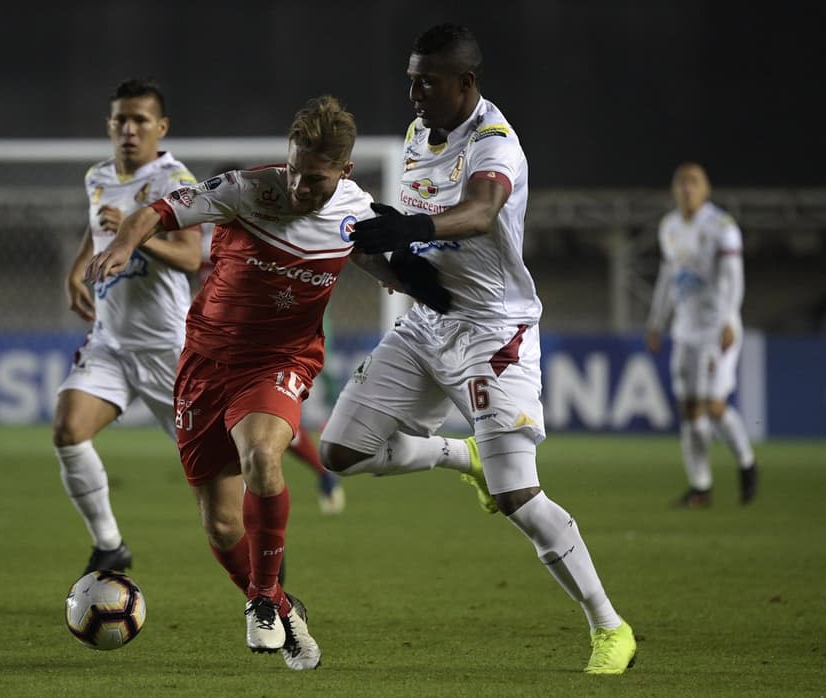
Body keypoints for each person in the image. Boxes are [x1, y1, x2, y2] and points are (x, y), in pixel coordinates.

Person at [319, 24, 637, 675]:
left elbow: (482, 212)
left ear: (466, 84)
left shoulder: (496, 142)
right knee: (341, 452)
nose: (413, 93)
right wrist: (387, 262)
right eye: (410, 79)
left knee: (519, 496)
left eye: (427, 82)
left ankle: (610, 628)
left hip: (496, 334)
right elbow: (409, 237)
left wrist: (411, 226)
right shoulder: (416, 137)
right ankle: (457, 455)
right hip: (429, 322)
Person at [85, 95, 399, 670]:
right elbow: (157, 211)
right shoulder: (246, 189)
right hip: (205, 361)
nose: (303, 188)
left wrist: (416, 284)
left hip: (281, 359)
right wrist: (125, 243)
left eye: (318, 180)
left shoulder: (361, 214)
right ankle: (279, 601)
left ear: (346, 172)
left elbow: (390, 261)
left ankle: (259, 601)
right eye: (297, 172)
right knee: (222, 522)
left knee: (261, 455)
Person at [53, 78, 201, 576]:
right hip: (111, 342)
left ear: (162, 127)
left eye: (141, 120)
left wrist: (135, 237)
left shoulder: (174, 180)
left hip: (168, 348)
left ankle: (262, 551)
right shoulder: (97, 175)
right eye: (121, 120)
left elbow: (190, 255)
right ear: (109, 126)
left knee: (210, 473)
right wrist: (79, 267)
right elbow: (99, 226)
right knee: (69, 428)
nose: (129, 130)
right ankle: (109, 545)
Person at [197, 163, 345, 516]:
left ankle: (319, 473)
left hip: (285, 339)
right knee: (255, 430)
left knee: (268, 423)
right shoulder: (210, 235)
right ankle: (316, 475)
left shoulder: (272, 224)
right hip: (226, 340)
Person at [645, 162, 758, 507]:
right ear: (673, 190)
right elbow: (668, 277)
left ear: (706, 189)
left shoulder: (722, 227)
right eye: (680, 183)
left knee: (714, 406)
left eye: (693, 182)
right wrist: (656, 320)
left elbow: (732, 279)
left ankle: (747, 462)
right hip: (685, 330)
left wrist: (727, 321)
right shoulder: (670, 226)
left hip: (717, 329)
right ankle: (701, 487)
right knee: (690, 407)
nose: (687, 188)